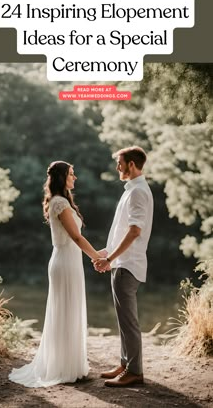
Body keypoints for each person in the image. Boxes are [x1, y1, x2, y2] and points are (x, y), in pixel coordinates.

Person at [9, 160, 101, 387]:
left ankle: (72, 365)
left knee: (70, 311)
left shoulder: (62, 202)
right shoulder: (59, 203)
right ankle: (63, 367)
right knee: (65, 312)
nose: (75, 177)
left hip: (70, 262)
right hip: (64, 263)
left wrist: (96, 255)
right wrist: (97, 257)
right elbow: (76, 238)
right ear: (62, 177)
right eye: (71, 173)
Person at [93, 146, 153, 387]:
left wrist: (110, 259)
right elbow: (121, 230)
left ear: (131, 164)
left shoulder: (138, 191)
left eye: (120, 163)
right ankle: (125, 363)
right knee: (123, 319)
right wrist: (108, 253)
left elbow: (135, 232)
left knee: (129, 321)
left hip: (128, 264)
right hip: (121, 261)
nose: (117, 167)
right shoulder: (132, 190)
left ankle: (135, 371)